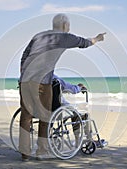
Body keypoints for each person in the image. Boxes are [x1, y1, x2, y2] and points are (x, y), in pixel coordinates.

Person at [19, 13, 105, 161]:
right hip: (42, 81)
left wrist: (25, 74)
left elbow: (24, 55)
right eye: (69, 25)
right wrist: (97, 39)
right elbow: (84, 42)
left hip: (24, 80)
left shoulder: (39, 36)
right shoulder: (63, 37)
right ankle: (42, 151)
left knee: (26, 116)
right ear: (65, 26)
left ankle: (25, 153)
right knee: (45, 115)